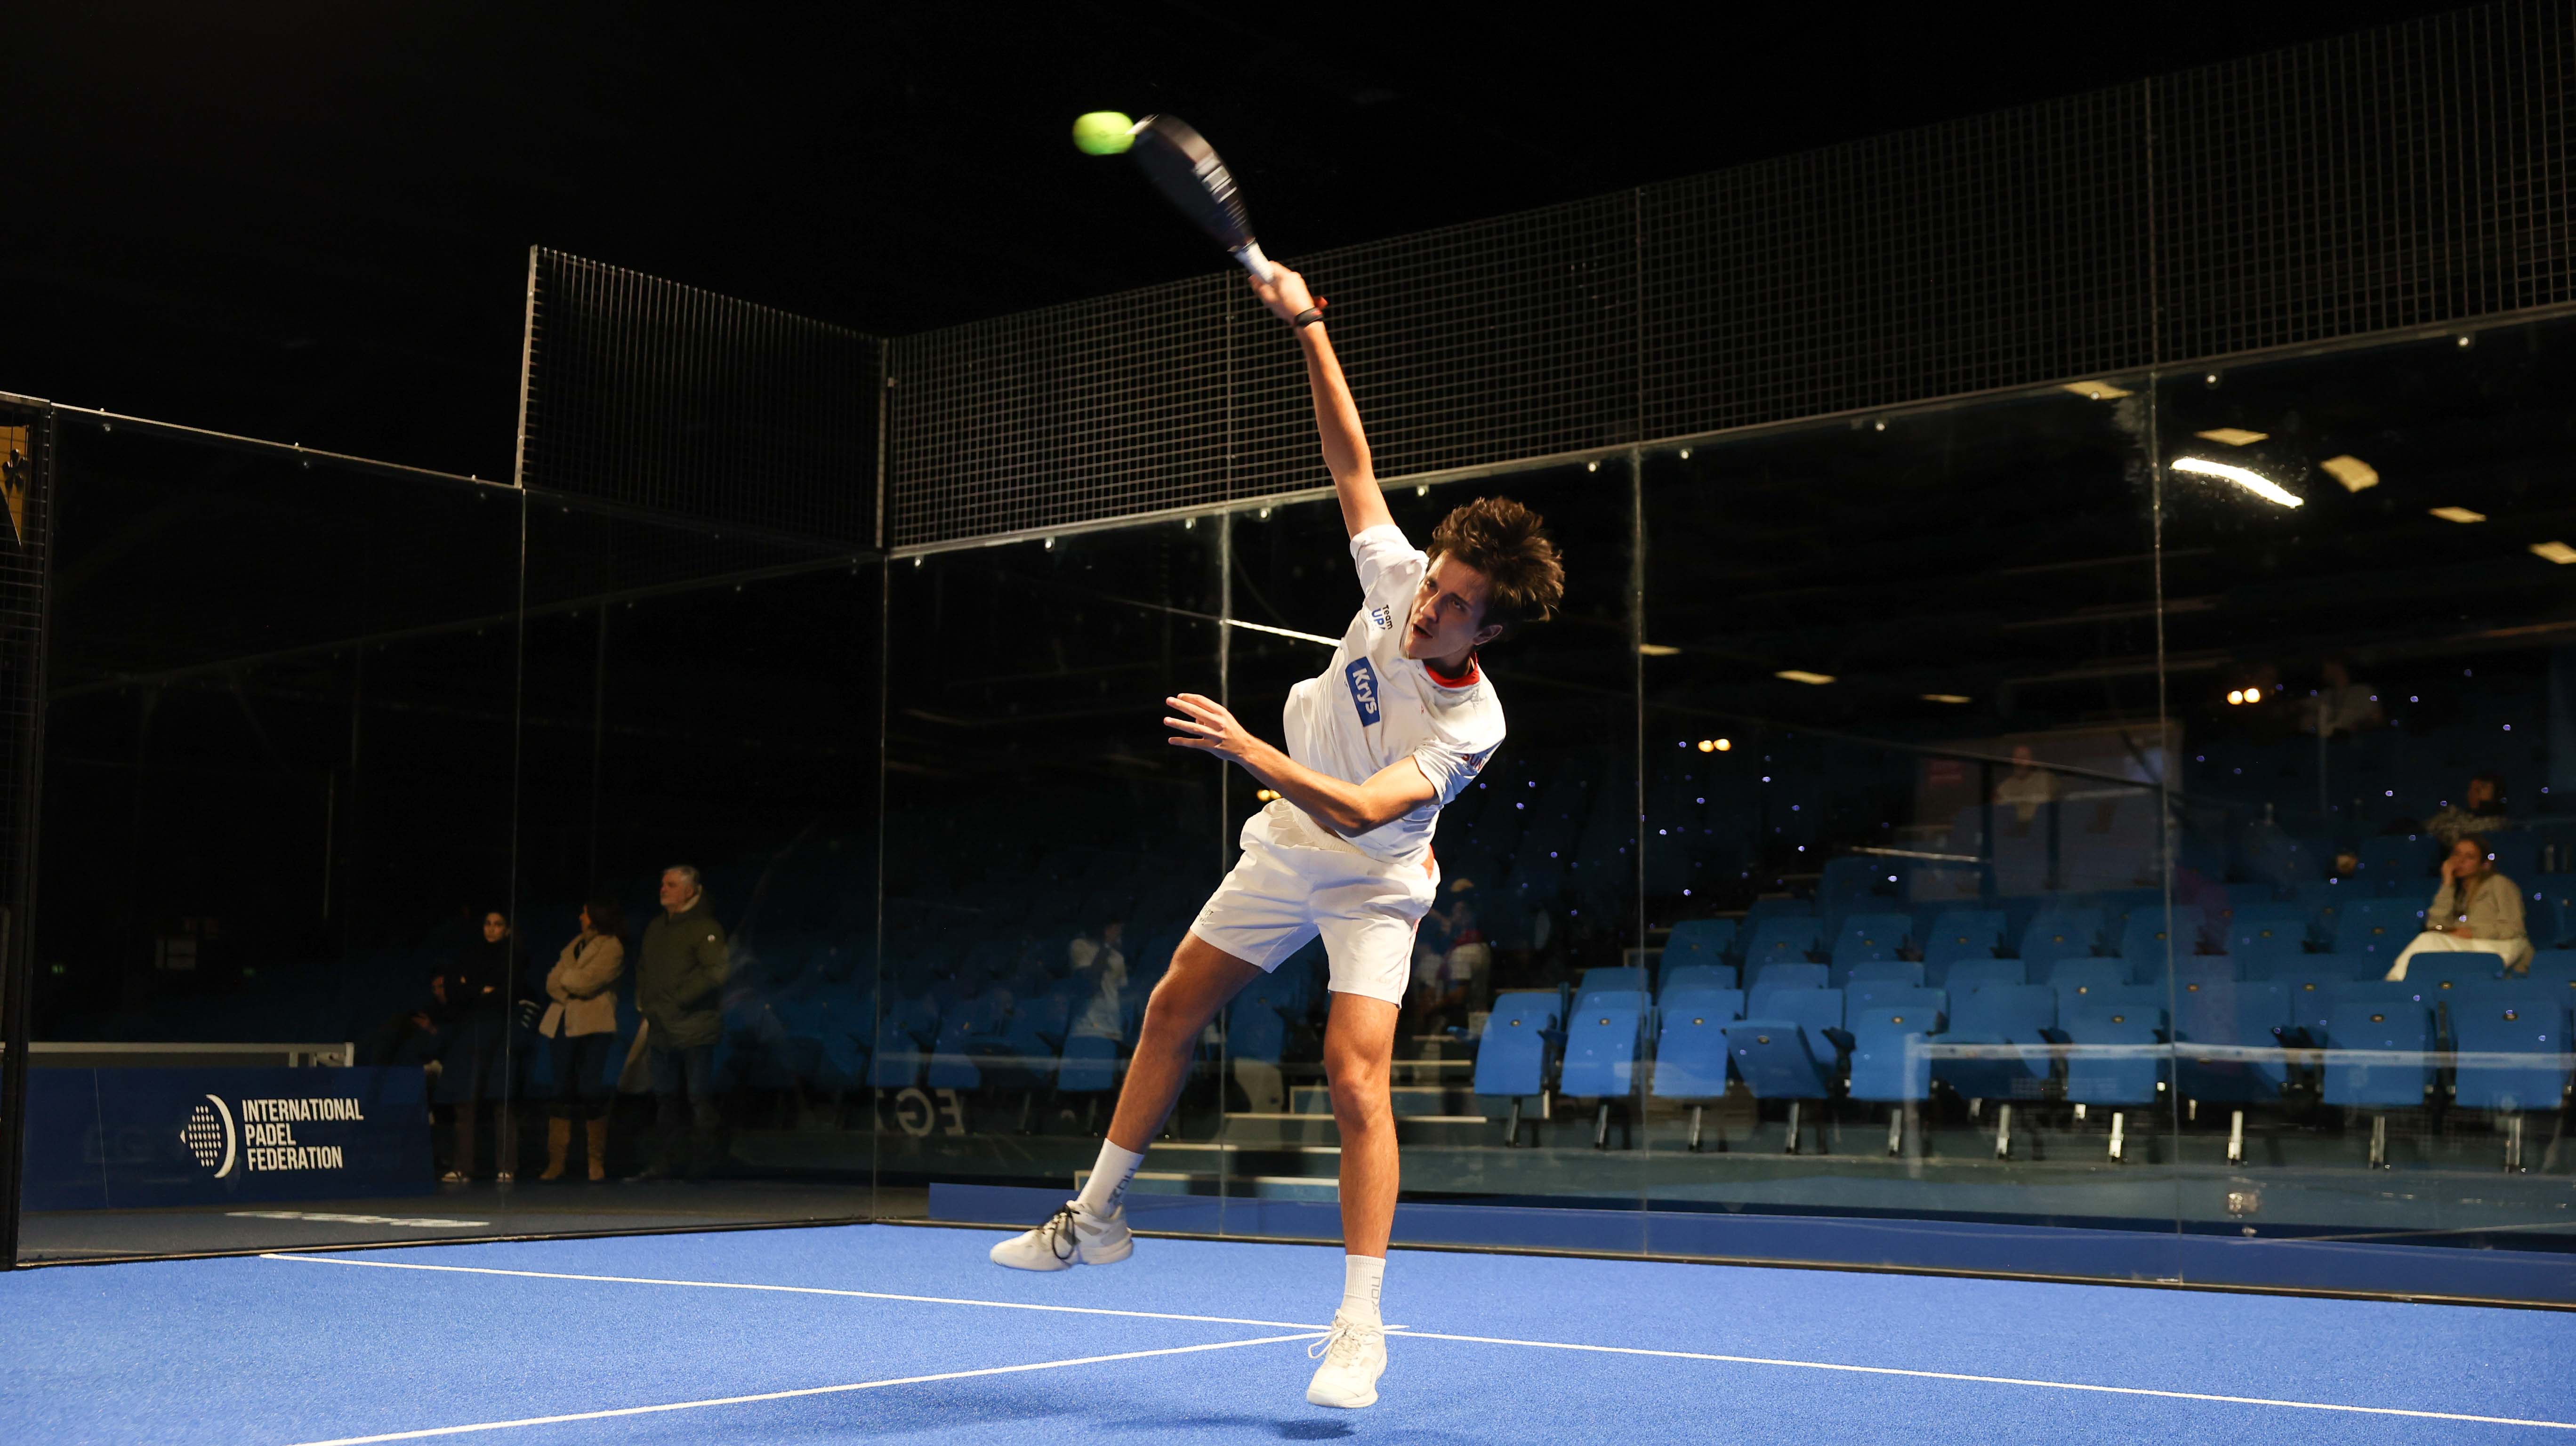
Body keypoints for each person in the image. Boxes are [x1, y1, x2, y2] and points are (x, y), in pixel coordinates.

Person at [985, 260, 1566, 1412]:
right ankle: (1093, 1218)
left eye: (1455, 605)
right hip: (1290, 841)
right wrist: (1305, 324)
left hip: (1373, 878)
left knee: (1355, 1078)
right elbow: (1350, 461)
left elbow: (1365, 809)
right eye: (1435, 584)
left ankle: (1360, 1327)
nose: (1427, 606)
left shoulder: (1473, 719)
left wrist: (1248, 748)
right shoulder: (1397, 577)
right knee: (1171, 1004)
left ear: (1489, 630)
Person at [632, 866, 731, 1180]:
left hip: (694, 1027)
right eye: (663, 884)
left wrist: (679, 1000)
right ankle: (666, 1163)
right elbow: (644, 967)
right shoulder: (656, 927)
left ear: (689, 891)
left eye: (671, 885)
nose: (663, 889)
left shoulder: (706, 927)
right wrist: (645, 1002)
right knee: (665, 1099)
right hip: (662, 1026)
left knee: (698, 1097)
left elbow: (716, 972)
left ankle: (704, 1165)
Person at [537, 892, 628, 1182]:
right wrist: (570, 982)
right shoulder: (575, 944)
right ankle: (557, 1162)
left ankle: (595, 1162)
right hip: (562, 1025)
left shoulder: (612, 947)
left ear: (597, 916)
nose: (581, 917)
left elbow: (588, 983)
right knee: (561, 1090)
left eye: (585, 912)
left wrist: (568, 980)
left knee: (590, 1090)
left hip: (593, 1026)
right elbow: (551, 981)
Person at [438, 910, 524, 1183]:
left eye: (498, 925)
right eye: (488, 923)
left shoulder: (514, 957)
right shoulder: (469, 954)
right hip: (471, 1033)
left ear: (507, 929)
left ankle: (507, 1166)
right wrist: (482, 991)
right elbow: (452, 989)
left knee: (502, 1099)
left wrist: (472, 989)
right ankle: (462, 1166)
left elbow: (508, 993)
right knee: (466, 1100)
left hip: (501, 1033)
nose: (492, 929)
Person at [2386, 834, 2531, 979]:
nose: (2460, 861)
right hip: (2469, 947)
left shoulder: (2499, 884)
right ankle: (2397, 984)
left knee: (2428, 940)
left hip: (2502, 947)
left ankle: (2393, 984)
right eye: (2456, 854)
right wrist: (2447, 884)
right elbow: (2435, 925)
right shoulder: (2458, 893)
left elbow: (2514, 928)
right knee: (2430, 944)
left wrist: (2472, 933)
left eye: (2470, 857)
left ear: (2485, 864)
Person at [2301, 657, 2383, 737]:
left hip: (2357, 742)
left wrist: (2358, 727)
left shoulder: (2364, 692)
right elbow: (2301, 707)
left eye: (2324, 666)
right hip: (2326, 743)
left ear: (2337, 665)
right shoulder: (2324, 697)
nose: (2322, 671)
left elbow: (2377, 720)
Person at [2428, 772, 2513, 848]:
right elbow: (2430, 825)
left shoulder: (2499, 823)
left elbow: (2463, 837)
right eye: (2471, 790)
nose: (2472, 795)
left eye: (2478, 791)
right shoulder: (2460, 815)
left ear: (2496, 795)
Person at [1993, 744, 2054, 826]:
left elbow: (2047, 801)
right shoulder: (2005, 786)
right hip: (2012, 827)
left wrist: (2013, 800)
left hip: (2041, 826)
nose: (2020, 762)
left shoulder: (2045, 779)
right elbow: (1998, 805)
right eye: (2017, 758)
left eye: (2024, 758)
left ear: (2032, 760)